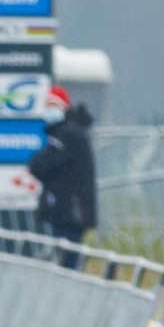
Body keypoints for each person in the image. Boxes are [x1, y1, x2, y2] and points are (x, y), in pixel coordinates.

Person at [27, 85, 98, 269]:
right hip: (65, 212)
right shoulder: (68, 132)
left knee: (68, 263)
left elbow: (41, 164)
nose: (49, 110)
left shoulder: (69, 134)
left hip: (71, 212)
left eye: (53, 105)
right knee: (65, 258)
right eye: (47, 105)